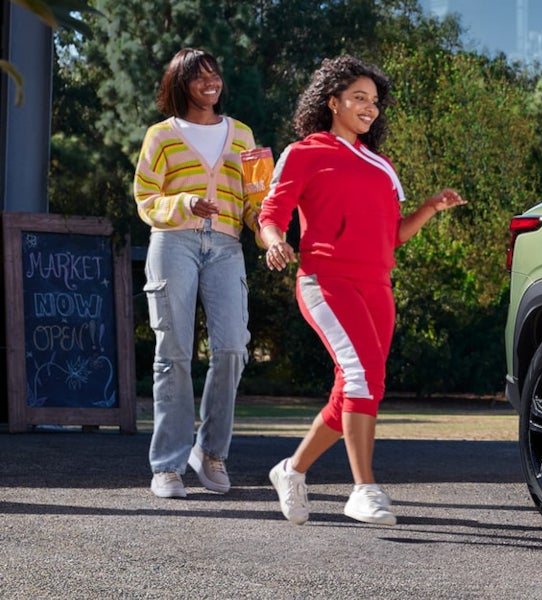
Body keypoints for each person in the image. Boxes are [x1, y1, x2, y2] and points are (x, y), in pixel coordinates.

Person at [257, 55, 466, 526]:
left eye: (374, 100)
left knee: (357, 387)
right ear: (333, 102)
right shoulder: (305, 152)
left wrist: (430, 207)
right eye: (358, 98)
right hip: (325, 281)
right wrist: (275, 242)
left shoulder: (380, 165)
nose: (370, 108)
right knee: (362, 378)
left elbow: (393, 235)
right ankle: (363, 489)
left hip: (377, 286)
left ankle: (291, 470)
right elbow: (271, 213)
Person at [134, 48, 273, 499]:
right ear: (181, 84)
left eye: (215, 75)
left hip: (227, 247)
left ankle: (210, 452)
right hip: (173, 243)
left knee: (232, 349)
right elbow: (145, 198)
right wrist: (185, 204)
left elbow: (258, 201)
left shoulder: (243, 135)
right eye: (200, 77)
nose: (211, 83)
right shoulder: (160, 135)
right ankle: (167, 466)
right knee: (173, 353)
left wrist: (270, 235)